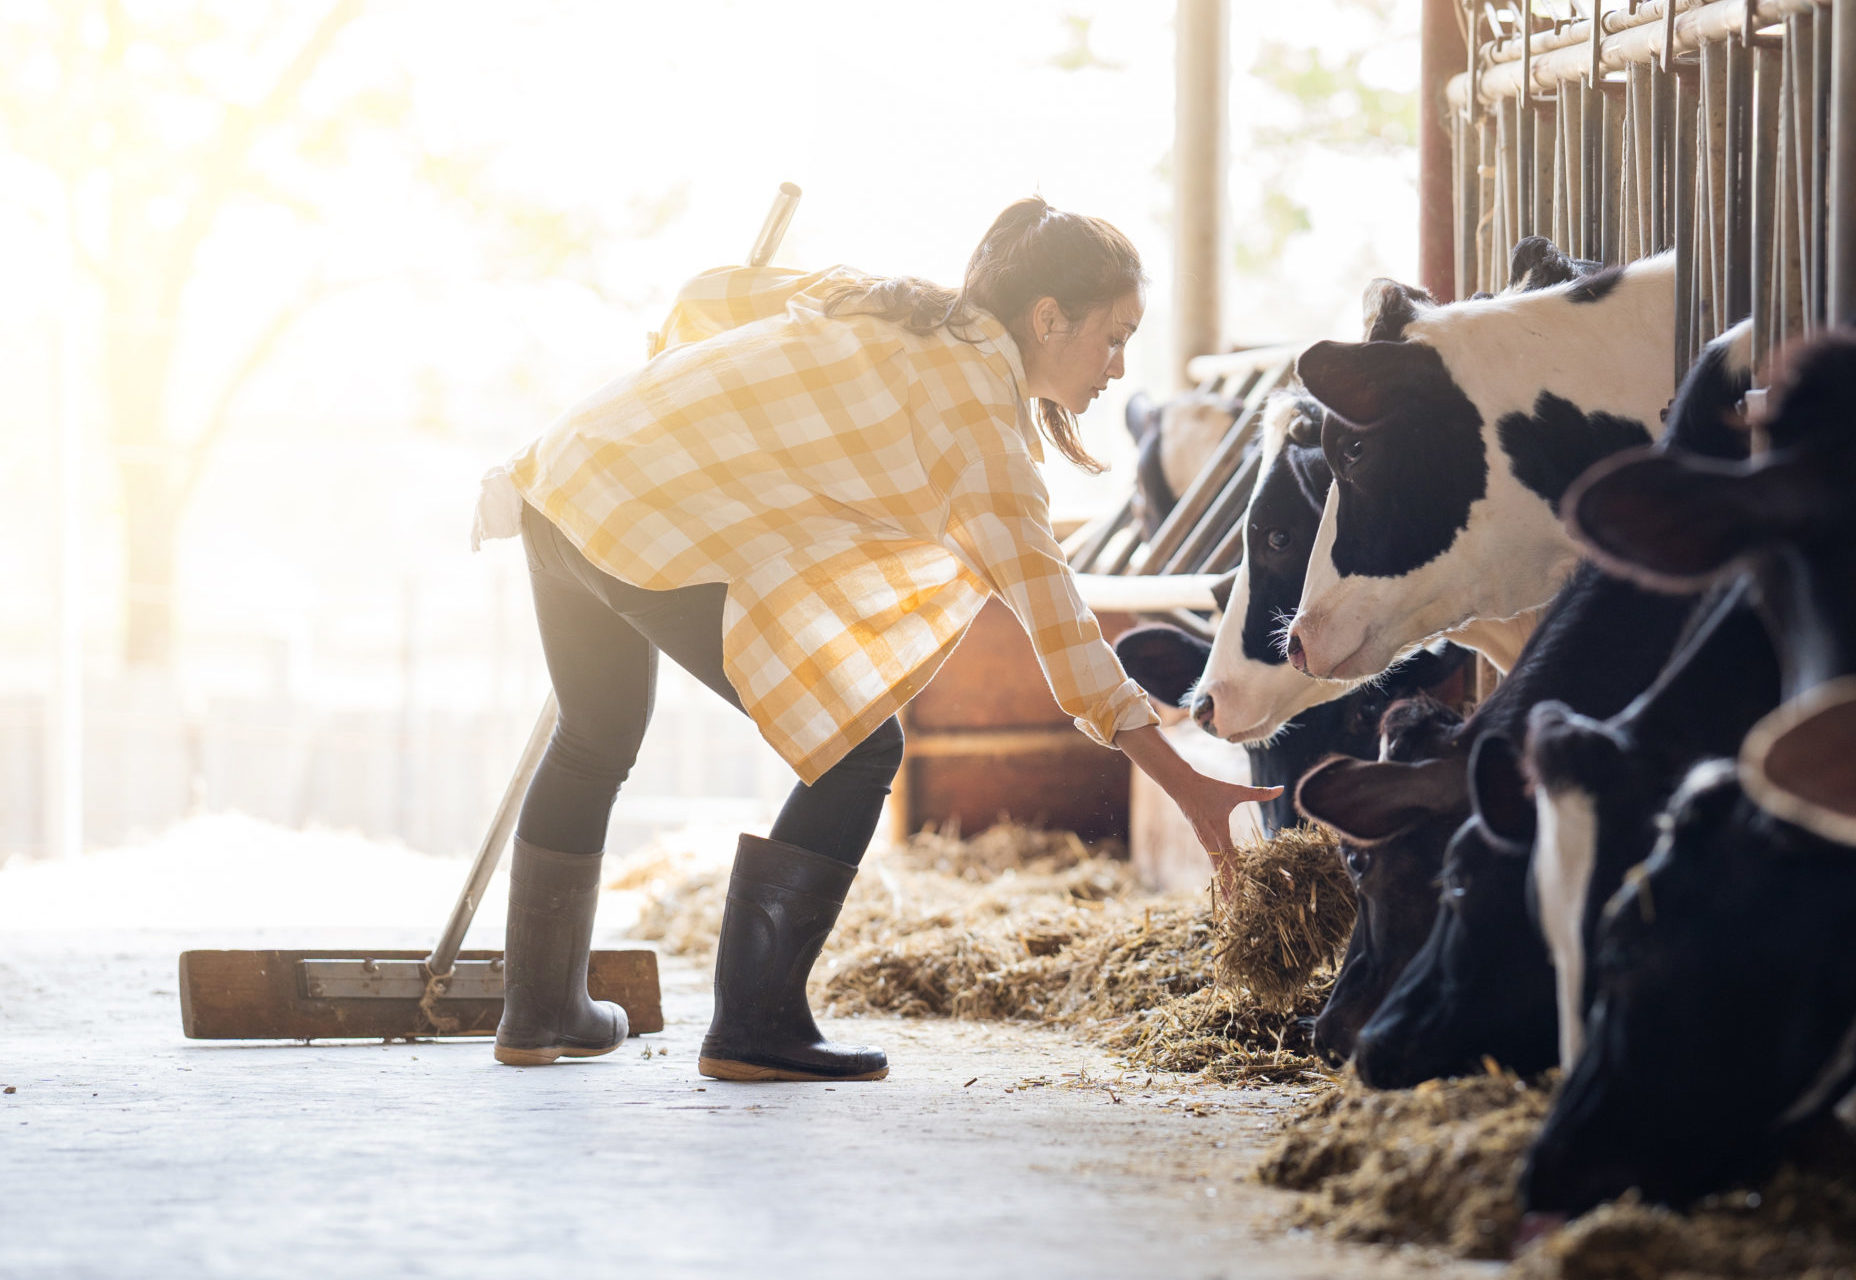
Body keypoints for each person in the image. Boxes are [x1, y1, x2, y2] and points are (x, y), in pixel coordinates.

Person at [484, 197, 1279, 1082]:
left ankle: (541, 1013)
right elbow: (1062, 628)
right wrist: (1191, 787)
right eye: (1114, 335)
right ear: (1047, 318)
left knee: (593, 738)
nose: (1120, 365)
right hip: (640, 518)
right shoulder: (981, 427)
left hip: (564, 472)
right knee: (862, 749)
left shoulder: (891, 303)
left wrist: (675, 401)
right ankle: (755, 1026)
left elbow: (716, 294)